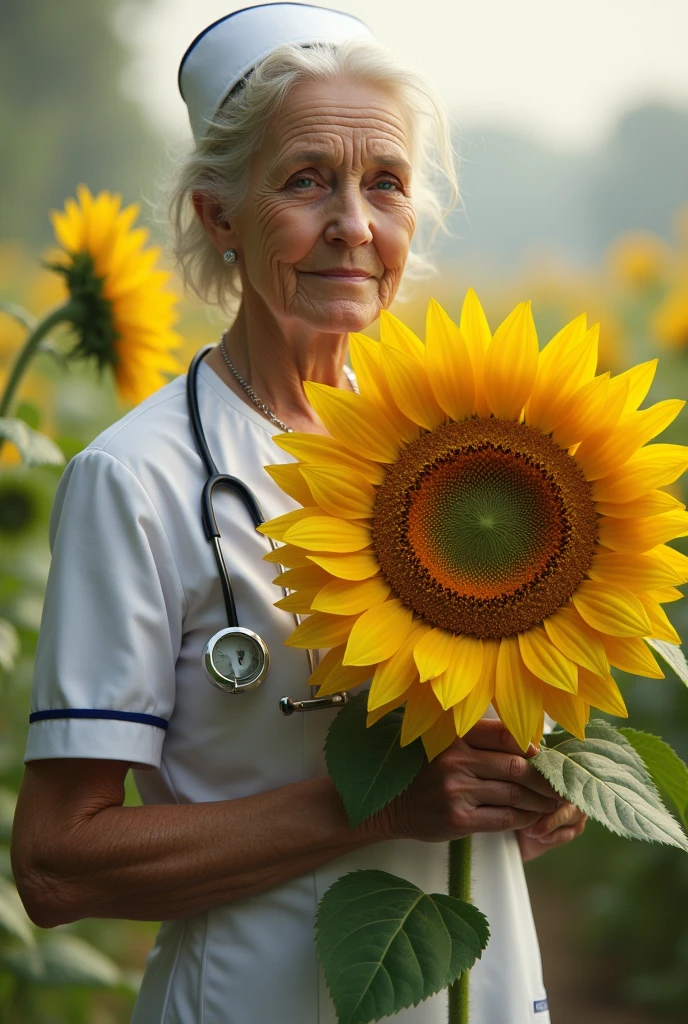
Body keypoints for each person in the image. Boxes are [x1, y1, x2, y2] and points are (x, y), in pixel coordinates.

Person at [12, 5, 586, 1022]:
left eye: (386, 185)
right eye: (306, 179)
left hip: (487, 994)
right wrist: (375, 809)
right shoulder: (136, 479)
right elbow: (61, 865)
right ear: (218, 215)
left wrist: (530, 791)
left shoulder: (470, 457)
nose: (354, 227)